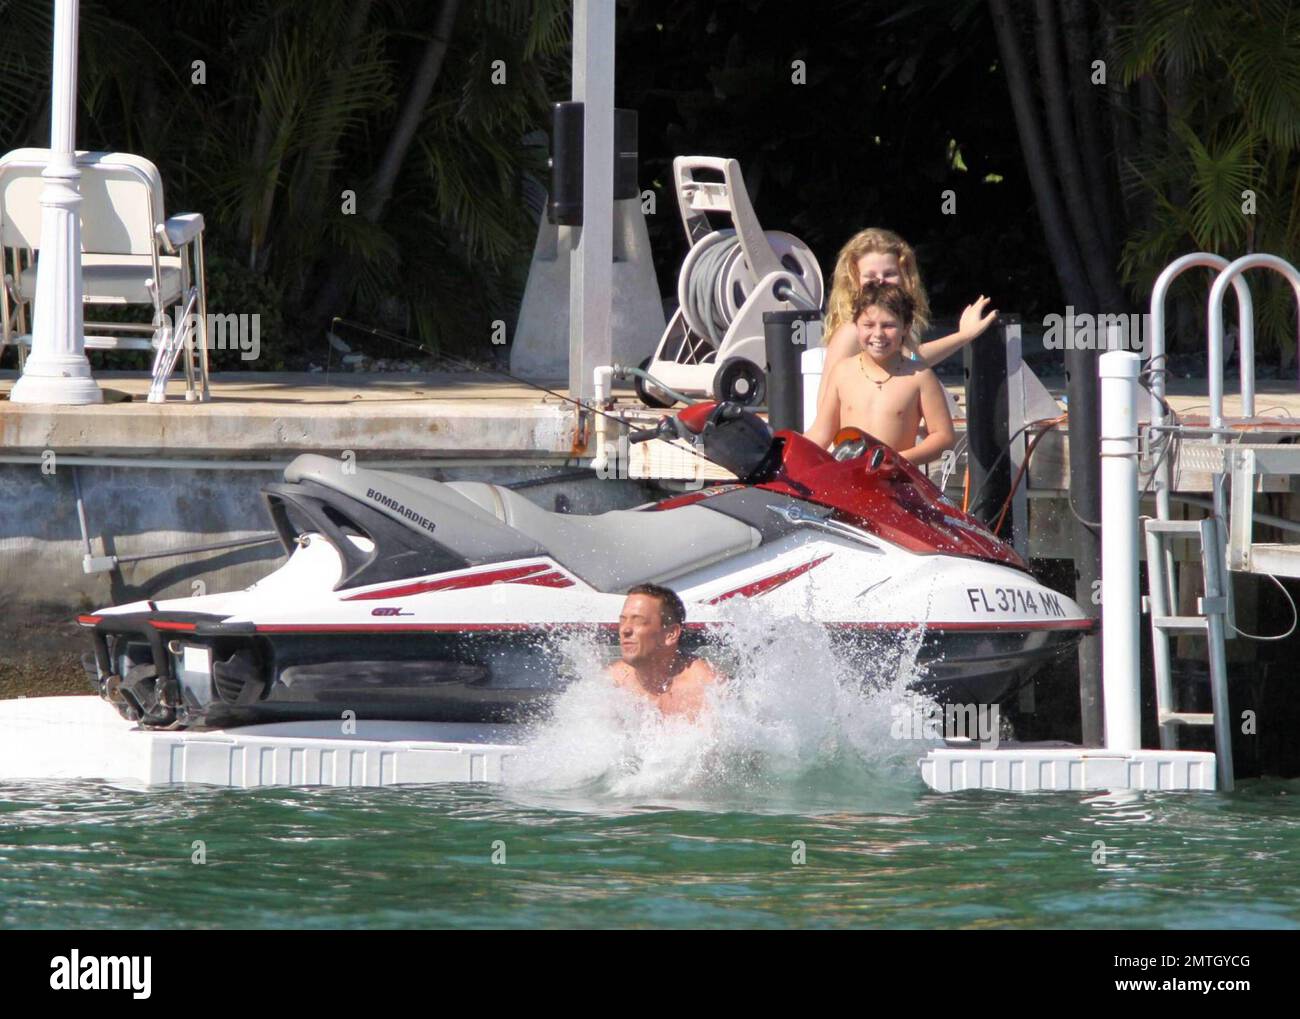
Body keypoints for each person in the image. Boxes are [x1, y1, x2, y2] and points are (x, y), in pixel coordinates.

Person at [816, 227, 998, 409]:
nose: (881, 281)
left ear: (904, 276)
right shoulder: (851, 332)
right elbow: (824, 404)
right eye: (870, 277)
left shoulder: (901, 322)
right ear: (855, 280)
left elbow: (911, 359)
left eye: (889, 274)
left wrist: (964, 335)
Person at [805, 282, 956, 465]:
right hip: (849, 479)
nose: (878, 334)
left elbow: (943, 437)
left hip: (895, 481)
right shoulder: (842, 372)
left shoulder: (920, 376)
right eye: (868, 325)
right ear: (856, 325)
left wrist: (898, 461)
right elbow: (821, 434)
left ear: (906, 327)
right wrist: (789, 457)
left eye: (888, 325)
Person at [607, 583, 720, 719]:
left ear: (670, 634)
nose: (625, 630)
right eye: (622, 621)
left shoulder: (707, 689)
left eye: (638, 621)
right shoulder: (612, 683)